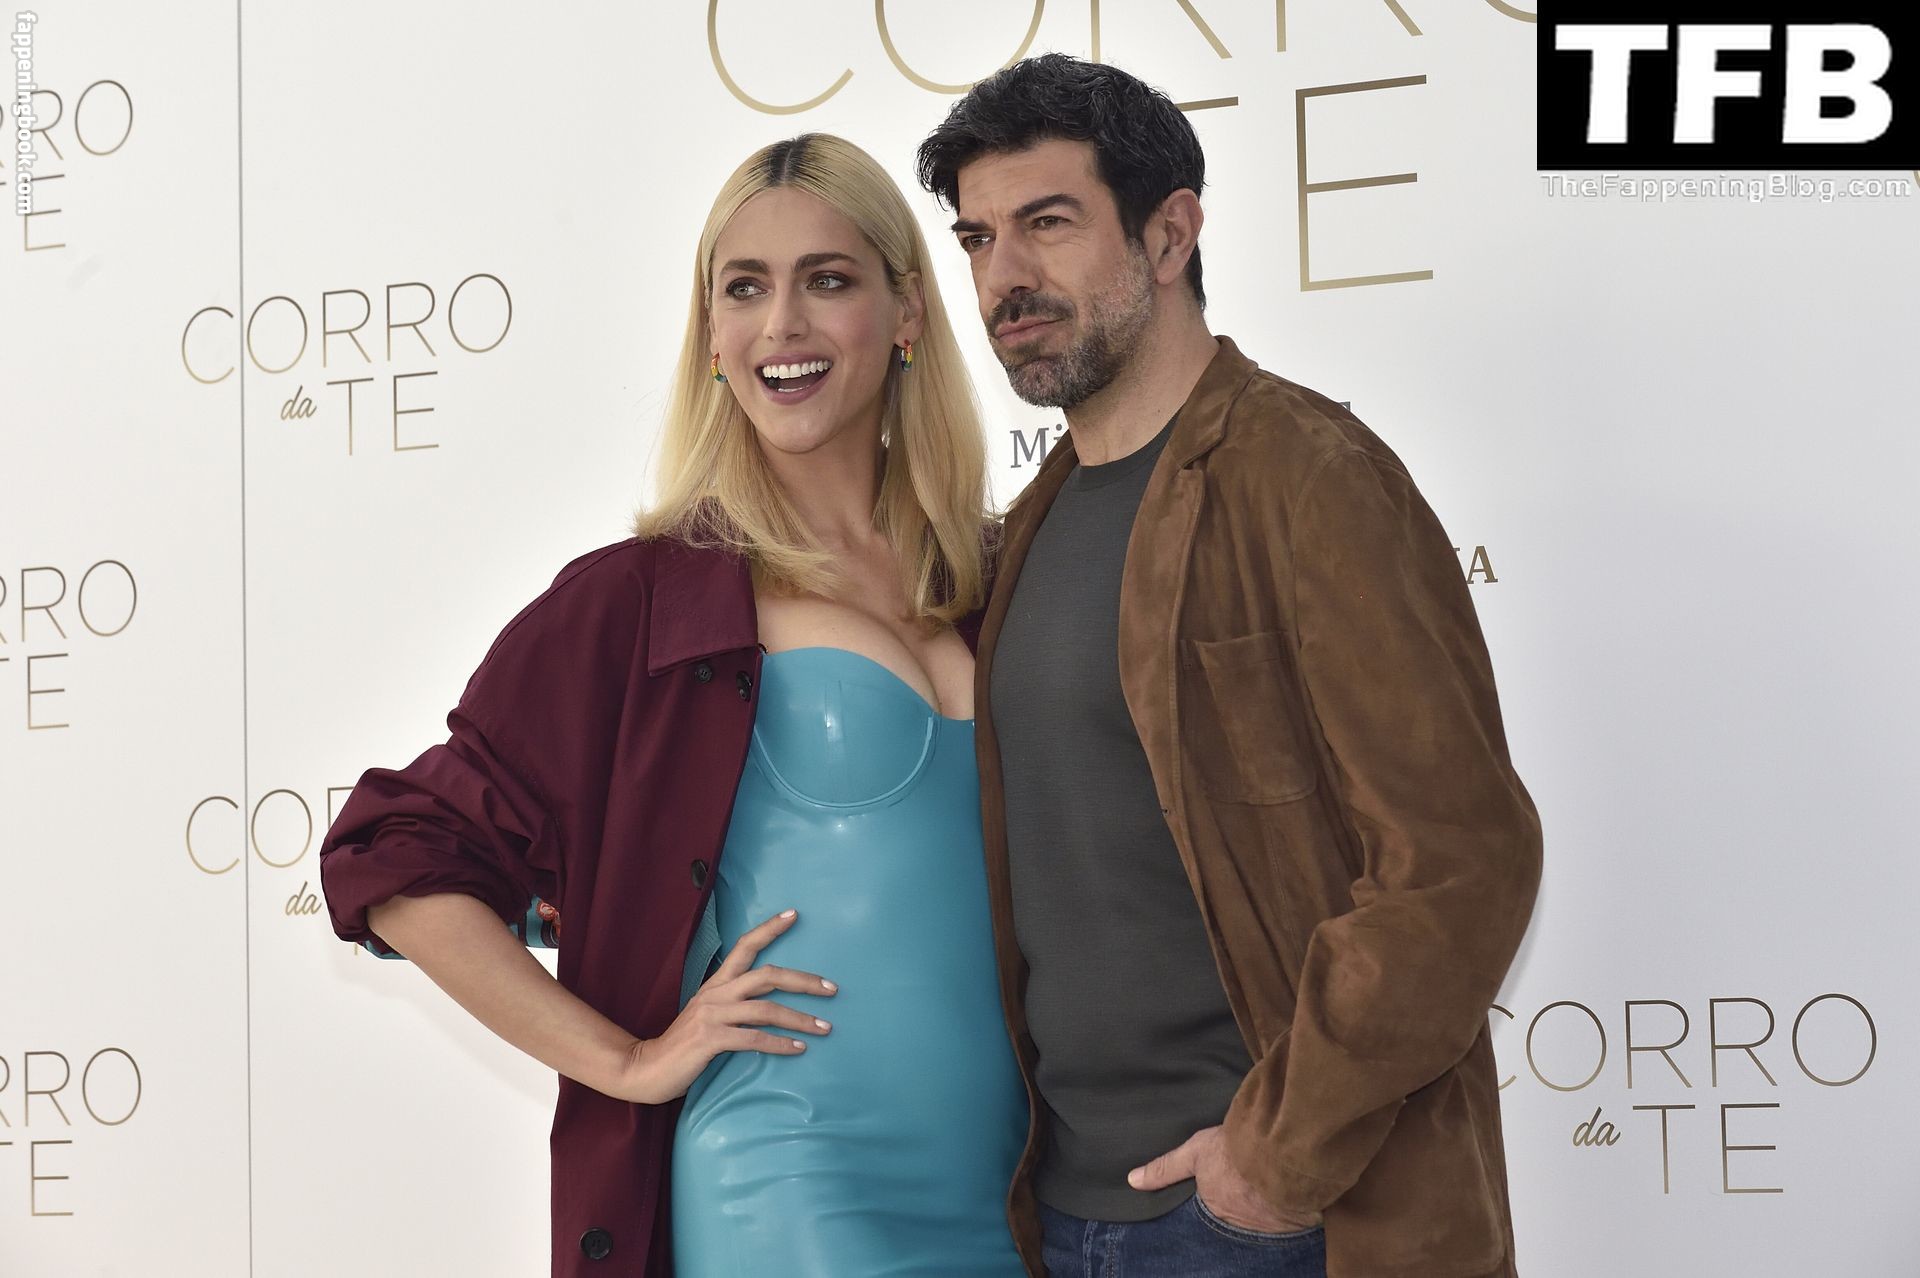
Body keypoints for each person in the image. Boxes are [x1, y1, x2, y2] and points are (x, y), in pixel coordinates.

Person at [317, 132, 1026, 1278]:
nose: (781, 324)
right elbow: (393, 850)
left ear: (905, 312)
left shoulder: (1004, 578)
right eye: (744, 288)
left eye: (826, 280)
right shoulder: (646, 602)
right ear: (711, 336)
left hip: (1015, 1193)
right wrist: (629, 1061)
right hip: (789, 1181)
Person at [915, 55, 1544, 1278]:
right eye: (978, 239)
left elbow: (1463, 863)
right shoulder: (1035, 523)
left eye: (1048, 223)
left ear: (1170, 234)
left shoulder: (1310, 477)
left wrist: (1274, 1162)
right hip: (1063, 1212)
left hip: (1274, 1224)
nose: (1004, 277)